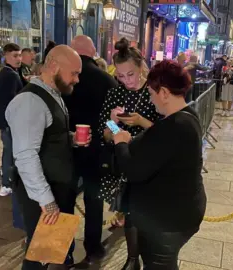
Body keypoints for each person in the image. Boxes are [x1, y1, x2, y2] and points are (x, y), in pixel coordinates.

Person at [113, 60, 206, 269]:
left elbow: (133, 170)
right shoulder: (187, 116)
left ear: (164, 92)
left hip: (167, 221)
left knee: (159, 263)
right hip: (180, 211)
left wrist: (121, 143)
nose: (151, 98)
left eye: (152, 93)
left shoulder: (174, 127)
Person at [7, 45, 86, 270]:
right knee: (39, 255)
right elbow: (25, 156)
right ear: (53, 66)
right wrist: (47, 201)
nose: (77, 80)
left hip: (57, 186)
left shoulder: (52, 94)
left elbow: (49, 136)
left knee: (51, 250)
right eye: (74, 73)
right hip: (43, 193)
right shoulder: (30, 102)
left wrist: (71, 139)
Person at [97, 37, 160, 270]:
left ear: (142, 66)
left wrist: (141, 121)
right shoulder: (115, 93)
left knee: (146, 213)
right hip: (122, 161)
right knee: (130, 211)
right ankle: (133, 259)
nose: (126, 81)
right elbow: (104, 134)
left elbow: (167, 132)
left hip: (149, 161)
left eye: (130, 75)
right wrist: (113, 124)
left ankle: (148, 258)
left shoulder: (155, 91)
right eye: (121, 76)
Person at [63, 35, 118, 265]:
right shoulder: (106, 79)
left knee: (65, 200)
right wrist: (117, 134)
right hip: (96, 150)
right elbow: (115, 118)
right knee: (93, 201)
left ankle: (63, 250)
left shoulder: (62, 78)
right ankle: (93, 248)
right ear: (93, 52)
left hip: (66, 148)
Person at [0, 43, 23, 197]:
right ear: (6, 56)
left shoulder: (8, 72)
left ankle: (6, 180)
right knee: (10, 153)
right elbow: (13, 101)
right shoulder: (11, 74)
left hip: (5, 120)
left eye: (19, 55)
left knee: (8, 151)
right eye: (15, 55)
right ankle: (7, 183)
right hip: (10, 122)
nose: (18, 59)